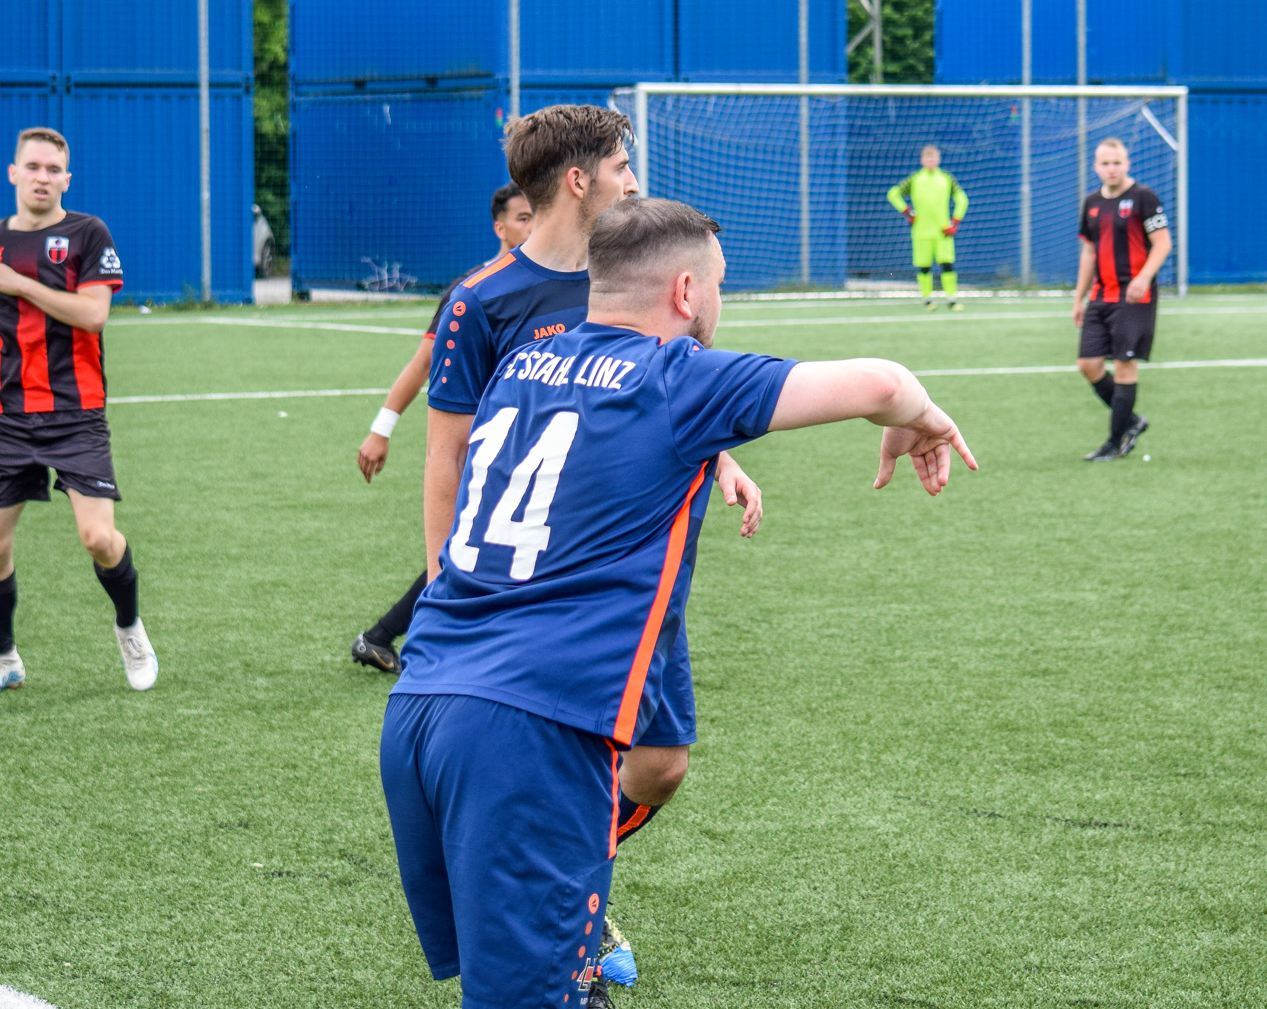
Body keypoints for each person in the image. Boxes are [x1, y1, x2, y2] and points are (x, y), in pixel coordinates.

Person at [379, 196, 976, 1009]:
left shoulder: (521, 366)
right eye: (719, 285)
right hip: (526, 732)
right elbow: (883, 381)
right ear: (687, 291)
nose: (720, 304)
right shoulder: (676, 376)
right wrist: (924, 420)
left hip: (422, 705)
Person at [414, 104, 763, 999]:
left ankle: (556, 868)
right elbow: (449, 456)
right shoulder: (483, 301)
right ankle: (565, 900)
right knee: (561, 766)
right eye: (621, 167)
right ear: (580, 180)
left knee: (662, 764)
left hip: (635, 577)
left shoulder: (630, 274)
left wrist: (722, 459)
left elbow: (668, 391)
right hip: (534, 600)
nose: (634, 182)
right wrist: (445, 590)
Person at [0, 127, 155, 696]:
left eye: (53, 169)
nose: (42, 177)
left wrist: (20, 283)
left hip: (77, 414)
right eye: (33, 167)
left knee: (99, 539)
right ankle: (4, 659)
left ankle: (129, 626)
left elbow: (93, 314)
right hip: (11, 416)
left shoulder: (88, 233)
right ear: (13, 173)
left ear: (67, 179)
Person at [351, 183, 534, 672]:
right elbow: (423, 363)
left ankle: (383, 636)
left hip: (525, 447)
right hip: (481, 448)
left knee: (480, 546)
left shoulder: (554, 283)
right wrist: (381, 428)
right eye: (522, 218)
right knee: (470, 547)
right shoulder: (473, 290)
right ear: (499, 227)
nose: (531, 226)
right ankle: (416, 640)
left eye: (535, 216)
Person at [1073, 137, 1171, 461]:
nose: (1111, 169)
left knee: (1124, 366)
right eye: (1105, 163)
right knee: (1088, 365)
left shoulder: (1143, 197)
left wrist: (1143, 277)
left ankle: (1115, 442)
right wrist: (1078, 298)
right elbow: (1089, 252)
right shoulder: (1091, 203)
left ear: (1127, 164)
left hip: (1134, 296)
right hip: (1101, 295)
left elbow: (1162, 243)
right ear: (1095, 167)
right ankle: (1131, 421)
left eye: (1117, 163)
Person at [887, 144, 969, 311]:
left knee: (947, 265)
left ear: (938, 159)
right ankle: (927, 300)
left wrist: (955, 222)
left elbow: (962, 199)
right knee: (924, 267)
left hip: (942, 231)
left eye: (933, 157)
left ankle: (951, 300)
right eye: (927, 158)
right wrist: (908, 212)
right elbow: (893, 194)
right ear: (922, 160)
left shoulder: (947, 178)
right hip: (921, 232)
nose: (930, 161)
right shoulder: (915, 179)